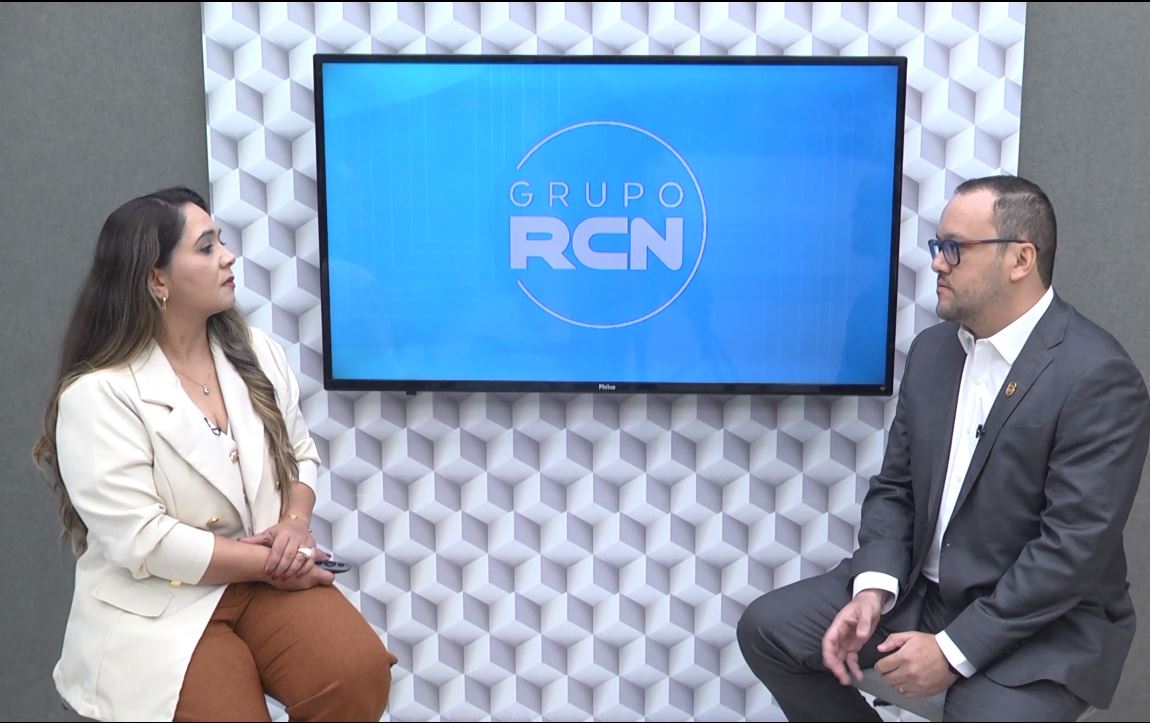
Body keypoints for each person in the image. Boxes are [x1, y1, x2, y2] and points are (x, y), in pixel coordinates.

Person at [737, 175, 1150, 721]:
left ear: (1020, 259)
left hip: (1044, 624)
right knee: (769, 629)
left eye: (954, 248)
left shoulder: (1097, 375)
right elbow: (895, 489)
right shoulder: (934, 351)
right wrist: (872, 589)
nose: (937, 263)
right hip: (920, 594)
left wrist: (952, 652)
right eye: (938, 246)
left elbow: (1071, 550)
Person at [32, 187, 397, 721]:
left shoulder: (256, 352)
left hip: (259, 580)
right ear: (157, 280)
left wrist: (294, 525)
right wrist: (275, 563)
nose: (228, 256)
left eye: (221, 241)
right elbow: (144, 540)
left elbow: (300, 454)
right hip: (160, 601)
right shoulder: (99, 394)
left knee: (356, 672)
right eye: (206, 247)